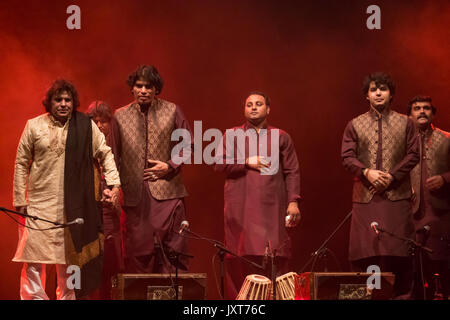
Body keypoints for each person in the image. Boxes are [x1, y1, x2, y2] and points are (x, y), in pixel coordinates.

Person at [13, 79, 120, 300]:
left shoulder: (84, 126)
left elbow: (105, 153)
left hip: (71, 207)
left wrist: (114, 184)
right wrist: (19, 198)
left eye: (67, 100)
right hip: (38, 206)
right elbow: (21, 162)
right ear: (49, 102)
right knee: (33, 261)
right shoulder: (33, 126)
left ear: (74, 103)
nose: (63, 104)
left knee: (69, 262)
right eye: (58, 99)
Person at [214, 91, 301, 299]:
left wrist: (293, 202)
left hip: (272, 209)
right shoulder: (232, 134)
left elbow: (292, 171)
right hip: (241, 209)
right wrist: (246, 162)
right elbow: (218, 163)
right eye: (249, 104)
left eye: (259, 104)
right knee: (240, 259)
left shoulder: (281, 136)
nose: (253, 107)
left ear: (268, 109)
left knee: (275, 260)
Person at [341, 72, 419, 298]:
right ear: (366, 95)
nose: (378, 93)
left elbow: (413, 154)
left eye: (383, 89)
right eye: (373, 89)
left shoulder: (406, 122)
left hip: (397, 197)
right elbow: (347, 156)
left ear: (391, 93)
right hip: (366, 197)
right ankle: (364, 297)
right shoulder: (355, 124)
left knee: (399, 253)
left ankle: (401, 296)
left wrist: (391, 177)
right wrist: (367, 172)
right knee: (365, 253)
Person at [111, 65, 191, 273]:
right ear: (132, 88)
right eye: (139, 86)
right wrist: (110, 187)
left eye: (149, 86)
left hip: (169, 195)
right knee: (137, 257)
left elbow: (188, 145)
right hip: (134, 198)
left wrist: (170, 165)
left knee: (172, 255)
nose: (144, 90)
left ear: (156, 89)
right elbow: (112, 155)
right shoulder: (119, 116)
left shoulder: (172, 110)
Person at [408, 95, 450, 299]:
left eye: (426, 108)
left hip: (440, 212)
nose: (421, 111)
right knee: (415, 267)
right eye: (417, 108)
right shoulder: (405, 142)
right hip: (412, 212)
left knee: (441, 262)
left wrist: (444, 178)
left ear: (433, 113)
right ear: (410, 115)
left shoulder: (447, 138)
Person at [86, 101, 124, 299]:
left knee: (112, 264)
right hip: (91, 213)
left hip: (113, 213)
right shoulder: (84, 146)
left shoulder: (117, 146)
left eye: (104, 121)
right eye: (95, 121)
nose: (100, 125)